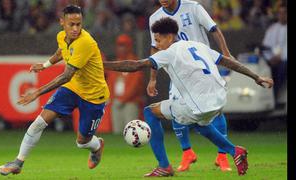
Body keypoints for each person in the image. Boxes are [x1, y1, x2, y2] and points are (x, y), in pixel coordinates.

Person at [103, 17, 273, 177]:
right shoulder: (198, 45)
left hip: (197, 104)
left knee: (150, 112)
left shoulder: (168, 52)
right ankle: (235, 152)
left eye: (159, 40)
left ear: (170, 37)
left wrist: (101, 65)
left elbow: (135, 65)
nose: (157, 45)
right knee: (199, 124)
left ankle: (164, 166)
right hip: (219, 100)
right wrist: (256, 77)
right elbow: (227, 61)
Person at [0, 5, 110, 176]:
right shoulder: (61, 36)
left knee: (82, 141)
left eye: (79, 24)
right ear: (62, 22)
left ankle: (97, 146)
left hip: (94, 96)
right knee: (39, 123)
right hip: (73, 89)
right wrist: (44, 65)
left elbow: (66, 76)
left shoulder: (85, 42)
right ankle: (18, 162)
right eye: (71, 24)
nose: (75, 29)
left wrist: (36, 92)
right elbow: (61, 51)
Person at [147, 0, 233, 172]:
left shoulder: (193, 7)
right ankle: (187, 152)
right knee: (177, 109)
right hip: (179, 70)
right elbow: (154, 48)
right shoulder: (155, 18)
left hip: (201, 67)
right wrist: (153, 78)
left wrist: (226, 53)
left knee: (215, 111)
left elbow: (214, 29)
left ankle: (222, 156)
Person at [107, 34, 146, 134]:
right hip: (115, 102)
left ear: (129, 46)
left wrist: (123, 99)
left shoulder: (134, 63)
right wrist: (112, 99)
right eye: (119, 45)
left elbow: (135, 86)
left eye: (123, 45)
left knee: (131, 133)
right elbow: (110, 84)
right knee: (117, 132)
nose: (121, 48)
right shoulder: (115, 63)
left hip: (131, 103)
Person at [262, 3, 287, 107]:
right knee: (263, 67)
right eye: (280, 13)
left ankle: (276, 98)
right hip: (273, 60)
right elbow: (266, 47)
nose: (282, 15)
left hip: (284, 60)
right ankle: (264, 99)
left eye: (284, 13)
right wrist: (271, 58)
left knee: (282, 67)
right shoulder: (272, 29)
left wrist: (281, 57)